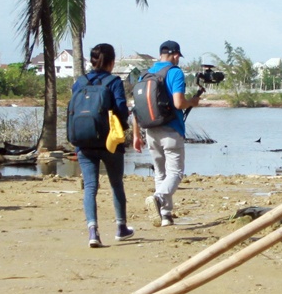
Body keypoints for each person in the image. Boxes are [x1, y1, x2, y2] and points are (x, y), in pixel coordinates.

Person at [68, 43, 135, 248]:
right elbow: (121, 109)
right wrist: (124, 126)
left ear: (92, 60)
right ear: (112, 62)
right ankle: (121, 228)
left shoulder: (79, 82)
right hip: (109, 141)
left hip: (84, 141)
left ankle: (92, 231)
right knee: (116, 184)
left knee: (90, 186)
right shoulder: (113, 82)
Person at [130, 39, 202, 227]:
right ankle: (158, 199)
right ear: (175, 55)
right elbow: (178, 103)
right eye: (178, 56)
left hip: (150, 130)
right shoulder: (175, 72)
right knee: (176, 173)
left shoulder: (145, 75)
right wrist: (192, 102)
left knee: (160, 173)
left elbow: (136, 108)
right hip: (171, 129)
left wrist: (136, 135)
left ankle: (165, 216)